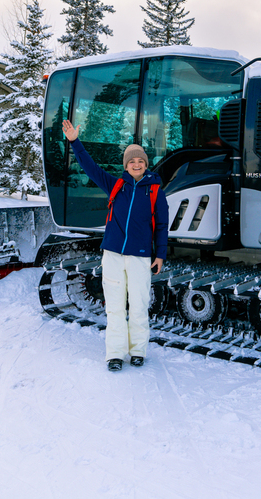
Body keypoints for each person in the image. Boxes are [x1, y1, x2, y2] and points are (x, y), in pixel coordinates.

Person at [62, 119, 169, 372]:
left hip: (141, 257)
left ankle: (138, 351)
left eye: (140, 161)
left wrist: (160, 255)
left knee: (140, 305)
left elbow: (163, 226)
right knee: (115, 308)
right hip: (112, 254)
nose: (136, 164)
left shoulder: (155, 191)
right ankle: (115, 354)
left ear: (145, 165)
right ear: (126, 165)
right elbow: (90, 168)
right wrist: (75, 142)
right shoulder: (116, 186)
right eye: (132, 161)